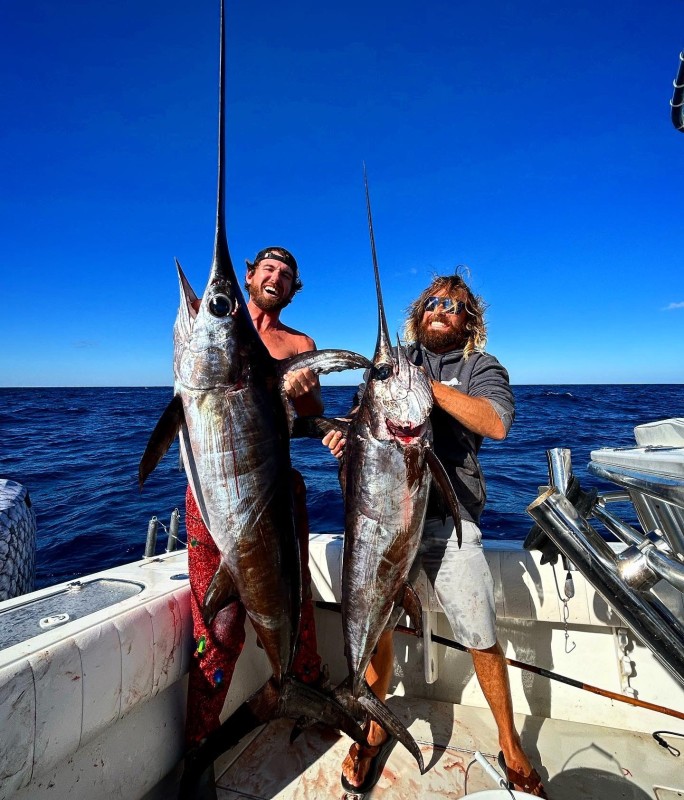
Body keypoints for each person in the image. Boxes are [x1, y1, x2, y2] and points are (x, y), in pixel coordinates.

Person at [325, 271, 548, 798]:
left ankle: (510, 743)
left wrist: (428, 389)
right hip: (383, 526)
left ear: (470, 321)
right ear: (418, 316)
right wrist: (344, 435)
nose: (440, 309)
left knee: (480, 633)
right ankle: (373, 725)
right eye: (431, 303)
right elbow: (363, 419)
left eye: (453, 304)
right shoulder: (394, 364)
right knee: (378, 629)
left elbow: (496, 423)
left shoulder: (481, 368)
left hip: (452, 523)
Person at [183, 247, 324, 794]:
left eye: (287, 274)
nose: (276, 278)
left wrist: (307, 398)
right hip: (213, 498)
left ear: (294, 289)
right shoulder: (214, 332)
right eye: (268, 268)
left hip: (275, 494)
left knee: (296, 601)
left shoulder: (300, 345)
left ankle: (303, 693)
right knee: (217, 627)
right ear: (249, 276)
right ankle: (200, 748)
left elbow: (310, 419)